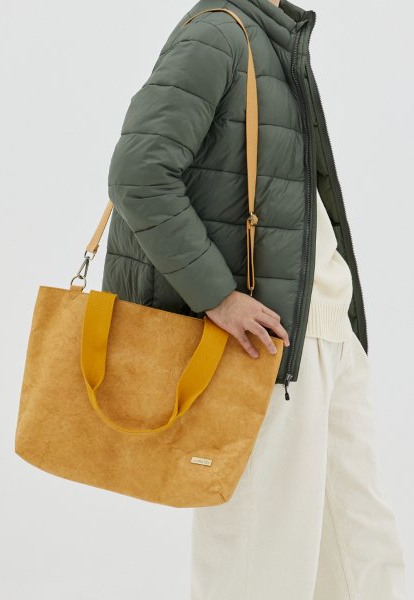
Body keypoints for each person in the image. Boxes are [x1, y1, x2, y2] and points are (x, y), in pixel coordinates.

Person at [101, 0, 408, 598]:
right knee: (258, 560)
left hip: (323, 327)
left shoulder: (276, 35)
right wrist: (217, 296)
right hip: (263, 343)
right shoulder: (218, 34)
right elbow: (138, 174)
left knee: (360, 547)